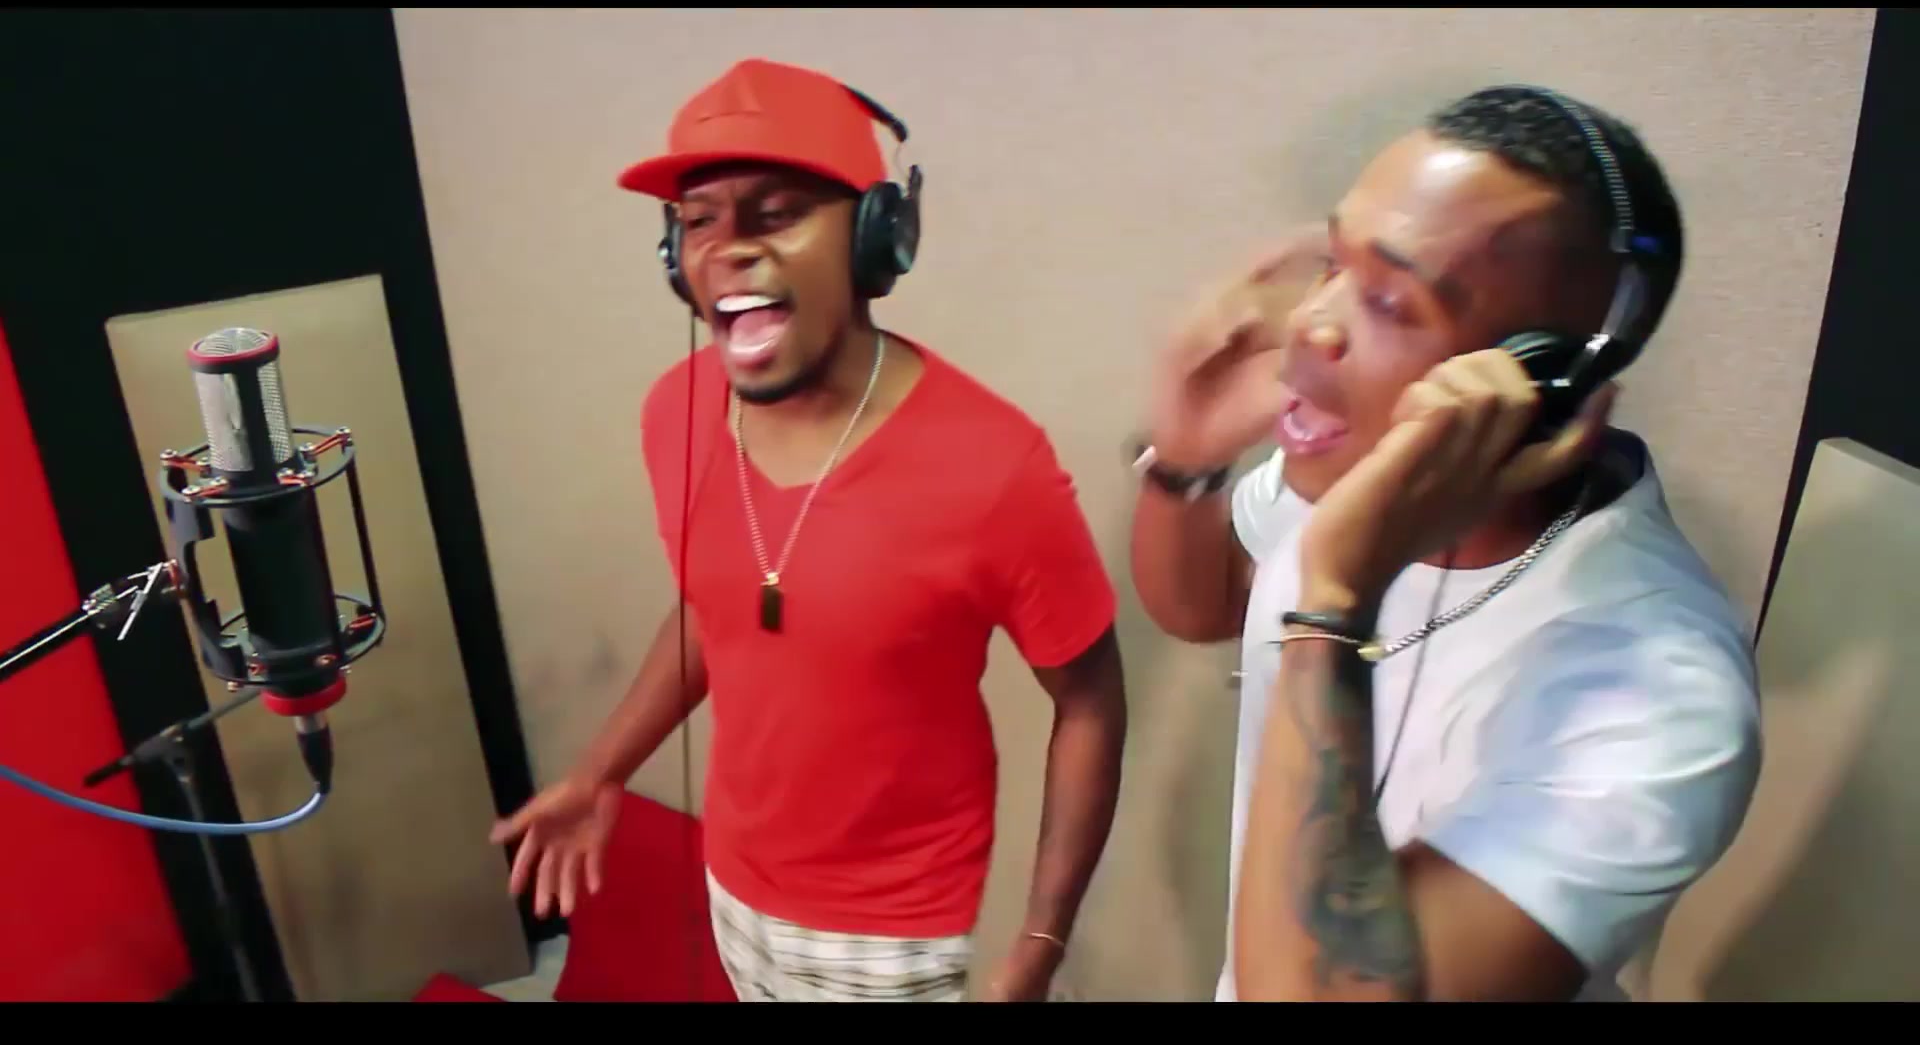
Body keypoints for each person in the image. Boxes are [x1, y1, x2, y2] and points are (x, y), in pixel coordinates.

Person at [489, 57, 1127, 1003]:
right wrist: (600, 771)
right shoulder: (677, 410)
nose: (728, 249)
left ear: (875, 239)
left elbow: (1091, 702)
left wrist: (1038, 946)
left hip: (899, 932)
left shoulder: (995, 465)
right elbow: (715, 610)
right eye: (698, 222)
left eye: (777, 213)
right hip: (734, 887)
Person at [1129, 85, 1761, 1002]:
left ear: (1543, 382)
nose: (1311, 322)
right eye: (1332, 263)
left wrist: (1337, 598)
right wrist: (1187, 465)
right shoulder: (1350, 465)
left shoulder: (1663, 696)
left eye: (1389, 300)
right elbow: (1203, 604)